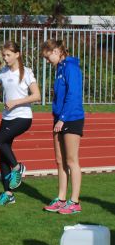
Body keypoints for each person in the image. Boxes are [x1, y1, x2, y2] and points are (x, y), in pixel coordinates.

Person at [0, 41, 41, 206]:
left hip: (23, 117)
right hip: (7, 118)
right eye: (3, 55)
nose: (5, 58)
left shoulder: (27, 72)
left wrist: (16, 102)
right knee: (3, 154)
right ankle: (8, 194)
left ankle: (18, 168)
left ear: (17, 54)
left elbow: (37, 95)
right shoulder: (3, 72)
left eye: (8, 55)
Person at [41, 39, 84, 214]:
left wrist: (63, 118)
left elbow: (73, 95)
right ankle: (61, 199)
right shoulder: (60, 68)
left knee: (72, 160)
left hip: (71, 118)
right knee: (60, 161)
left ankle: (74, 202)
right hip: (59, 118)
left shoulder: (71, 68)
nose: (47, 61)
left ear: (57, 51)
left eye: (48, 57)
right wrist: (58, 117)